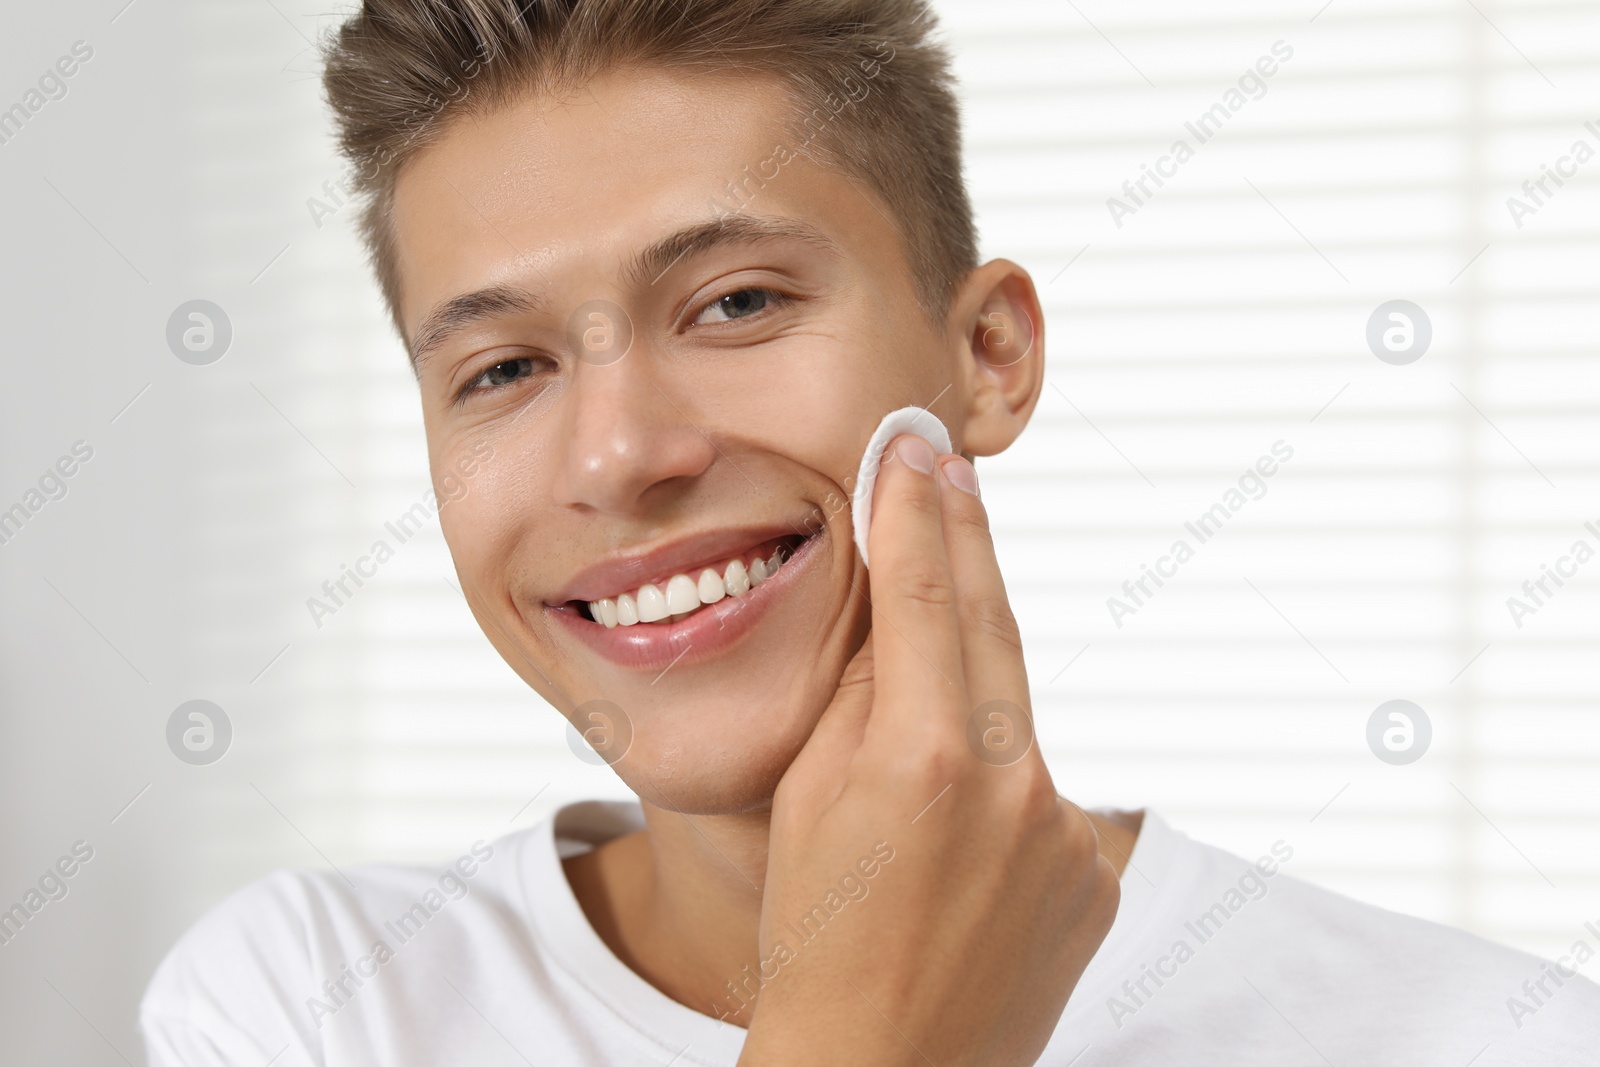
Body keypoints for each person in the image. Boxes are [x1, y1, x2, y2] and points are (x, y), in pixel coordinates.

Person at [141, 2, 1600, 1063]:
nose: (620, 454)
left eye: (736, 302)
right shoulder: (309, 1005)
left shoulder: (1486, 1040)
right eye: (503, 370)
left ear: (988, 355)